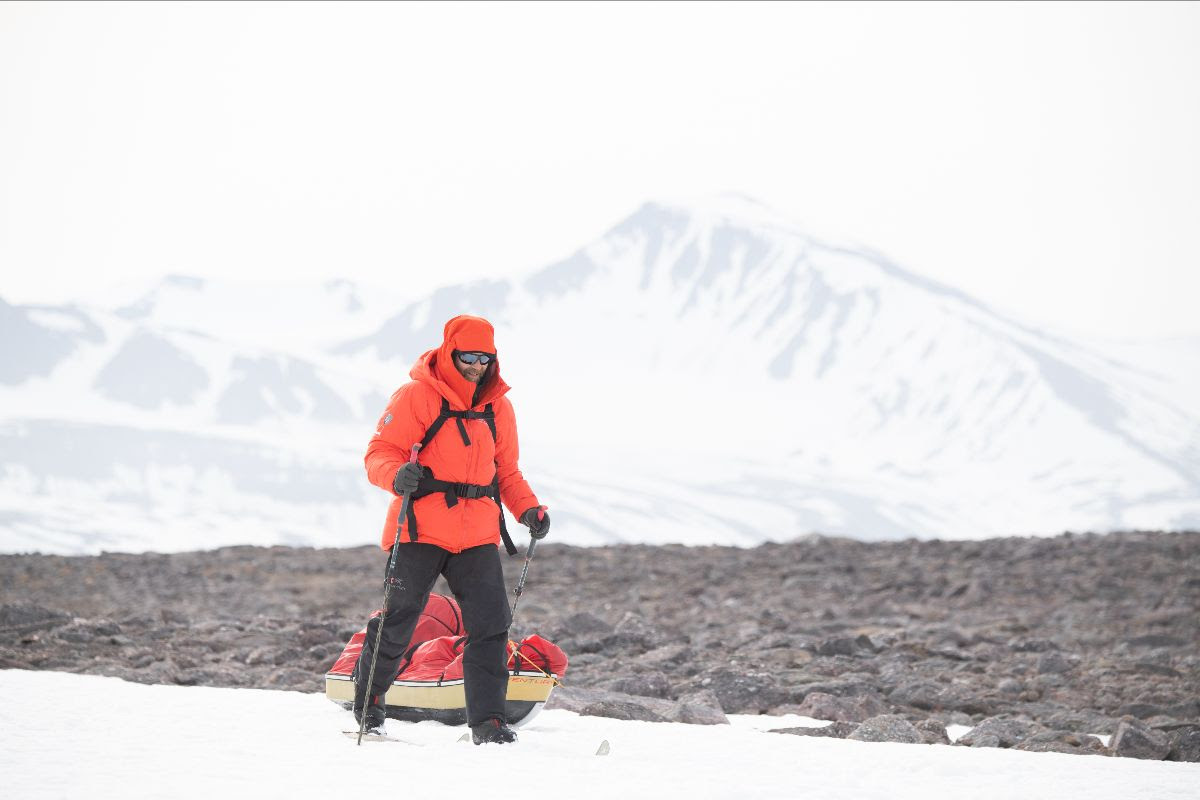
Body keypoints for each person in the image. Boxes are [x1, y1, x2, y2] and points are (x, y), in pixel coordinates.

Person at [355, 314, 550, 745]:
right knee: (401, 620)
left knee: (491, 625)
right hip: (420, 529)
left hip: (476, 533)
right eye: (469, 356)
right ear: (450, 351)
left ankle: (488, 723)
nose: (477, 365)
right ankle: (368, 706)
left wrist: (530, 510)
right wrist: (395, 476)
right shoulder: (416, 396)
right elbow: (378, 453)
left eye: (485, 358)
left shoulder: (498, 407)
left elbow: (508, 473)